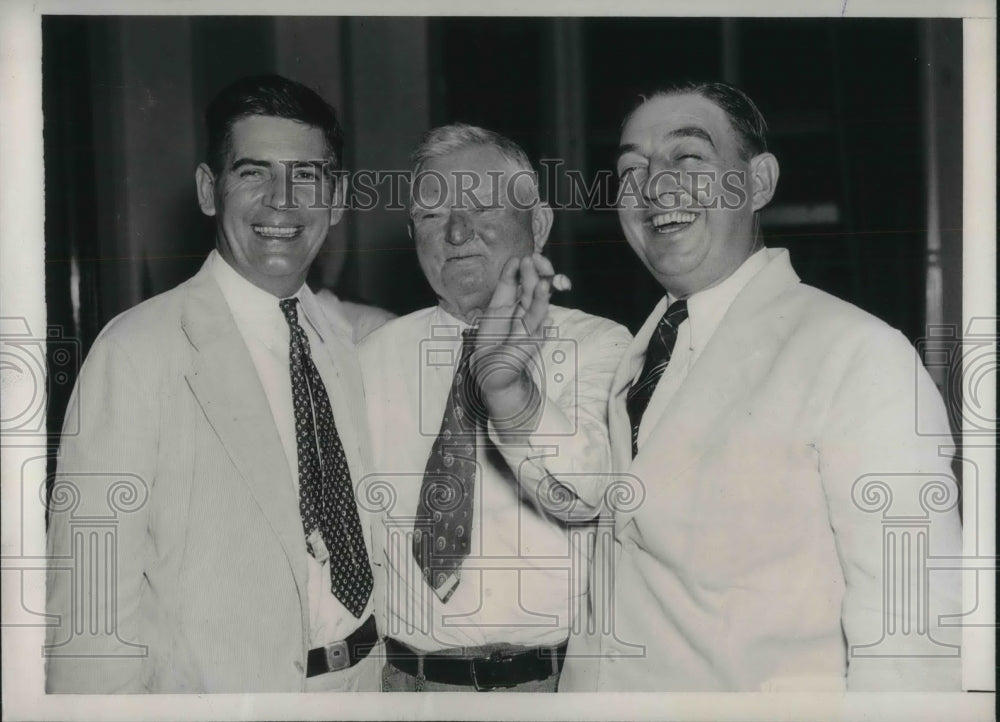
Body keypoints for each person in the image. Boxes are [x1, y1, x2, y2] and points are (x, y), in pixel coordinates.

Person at [548, 82, 964, 692]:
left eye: (688, 158)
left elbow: (915, 633)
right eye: (631, 169)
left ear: (759, 182)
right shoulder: (637, 358)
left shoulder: (858, 353)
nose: (654, 185)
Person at [45, 75, 382, 693]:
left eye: (306, 175)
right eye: (253, 173)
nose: (282, 201)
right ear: (209, 190)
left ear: (335, 201)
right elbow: (90, 620)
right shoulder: (136, 352)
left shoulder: (343, 343)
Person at [358, 124, 631, 692]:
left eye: (483, 207)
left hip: (545, 688)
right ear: (413, 234)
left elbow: (584, 493)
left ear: (539, 223)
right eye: (432, 216)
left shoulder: (601, 345)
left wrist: (512, 392)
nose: (457, 231)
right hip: (407, 687)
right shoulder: (370, 358)